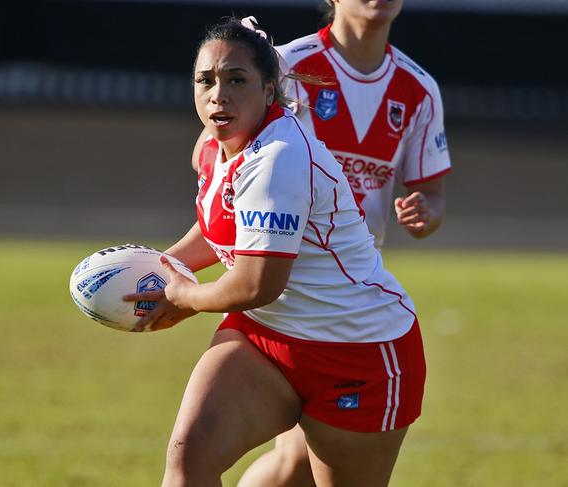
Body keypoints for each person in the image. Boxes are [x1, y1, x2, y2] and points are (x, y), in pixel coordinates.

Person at [124, 16, 426, 487]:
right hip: (264, 339)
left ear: (269, 91)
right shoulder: (212, 145)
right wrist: (163, 268)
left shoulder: (278, 158)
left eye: (236, 80)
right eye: (206, 81)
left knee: (298, 476)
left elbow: (256, 283)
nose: (218, 95)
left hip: (358, 351)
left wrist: (185, 296)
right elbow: (220, 231)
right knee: (189, 462)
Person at [237, 1, 451, 485]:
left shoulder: (419, 89)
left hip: (350, 291)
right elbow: (224, 146)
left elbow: (434, 198)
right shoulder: (286, 64)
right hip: (287, 279)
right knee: (294, 461)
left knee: (296, 466)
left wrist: (425, 213)